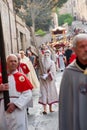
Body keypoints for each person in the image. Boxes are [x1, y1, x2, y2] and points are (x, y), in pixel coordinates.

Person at [59, 33, 87, 130]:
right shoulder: (69, 73)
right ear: (74, 50)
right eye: (82, 46)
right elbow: (66, 106)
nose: (86, 49)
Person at [0, 54, 33, 130]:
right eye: (11, 61)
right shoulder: (1, 77)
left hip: (17, 109)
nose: (13, 63)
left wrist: (15, 104)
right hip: (2, 109)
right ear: (6, 63)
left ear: (18, 63)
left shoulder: (22, 77)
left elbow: (28, 94)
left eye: (15, 61)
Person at [38, 49, 58, 114]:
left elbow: (53, 71)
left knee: (50, 94)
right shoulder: (41, 62)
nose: (46, 56)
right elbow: (39, 70)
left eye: (48, 54)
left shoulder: (52, 62)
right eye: (45, 54)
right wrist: (41, 76)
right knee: (44, 94)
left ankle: (50, 108)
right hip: (43, 81)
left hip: (50, 81)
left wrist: (48, 75)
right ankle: (44, 109)